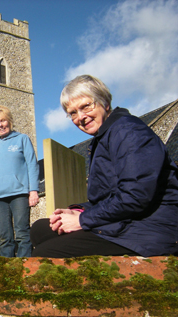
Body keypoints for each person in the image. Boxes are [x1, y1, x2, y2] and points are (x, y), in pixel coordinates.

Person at [31, 74, 178, 258]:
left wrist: (82, 220)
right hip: (125, 222)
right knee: (40, 229)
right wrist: (78, 210)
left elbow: (136, 195)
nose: (81, 117)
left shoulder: (129, 131)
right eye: (73, 113)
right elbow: (107, 197)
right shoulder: (102, 139)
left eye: (86, 106)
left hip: (148, 229)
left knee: (46, 254)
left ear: (105, 103)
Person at [0, 106, 40, 258]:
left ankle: (25, 269)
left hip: (19, 194)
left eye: (3, 120)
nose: (0, 125)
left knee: (22, 233)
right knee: (4, 238)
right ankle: (7, 272)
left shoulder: (22, 139)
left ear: (9, 121)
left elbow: (32, 165)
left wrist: (33, 190)